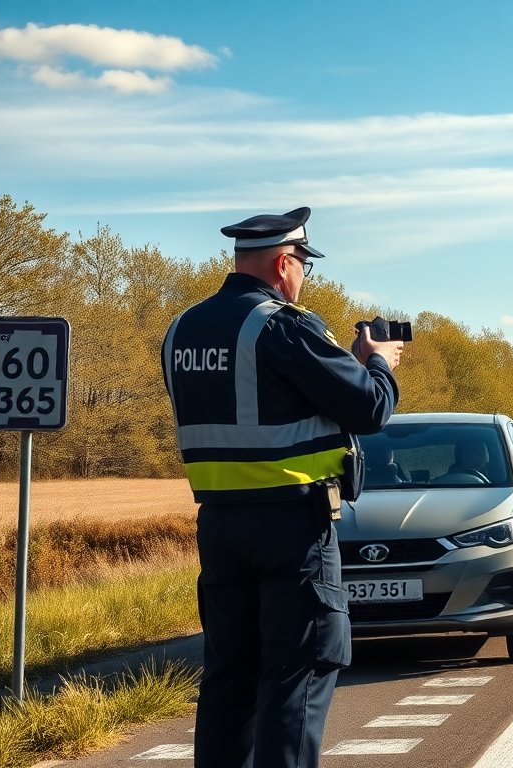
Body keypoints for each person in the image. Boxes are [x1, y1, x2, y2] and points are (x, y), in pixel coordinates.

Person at [161, 206, 404, 768]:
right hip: (291, 528)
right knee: (297, 675)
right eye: (303, 266)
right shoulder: (280, 326)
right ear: (281, 263)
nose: (302, 279)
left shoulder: (182, 330)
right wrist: (379, 364)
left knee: (229, 678)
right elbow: (369, 407)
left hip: (219, 525)